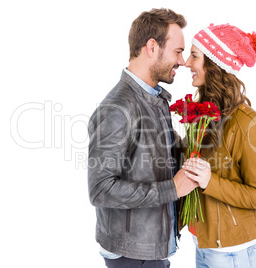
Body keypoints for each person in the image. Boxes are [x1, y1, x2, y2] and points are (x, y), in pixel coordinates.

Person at [87, 8, 198, 268]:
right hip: (133, 257)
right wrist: (173, 188)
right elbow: (100, 189)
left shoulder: (153, 98)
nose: (182, 61)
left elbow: (155, 161)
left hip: (147, 253)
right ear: (152, 47)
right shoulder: (117, 108)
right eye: (178, 51)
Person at [181, 23, 256, 268]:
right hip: (205, 243)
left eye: (194, 56)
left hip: (235, 253)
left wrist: (210, 182)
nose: (186, 63)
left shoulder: (250, 125)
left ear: (214, 64)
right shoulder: (203, 116)